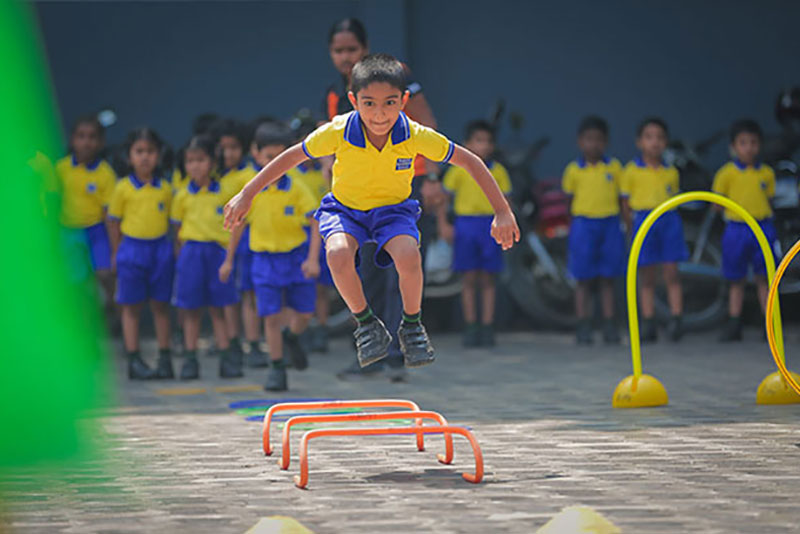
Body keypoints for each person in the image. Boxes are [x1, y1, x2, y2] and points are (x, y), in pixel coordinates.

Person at [224, 54, 519, 370]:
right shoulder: (337, 131)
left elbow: (471, 161)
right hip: (346, 211)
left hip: (393, 212)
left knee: (408, 254)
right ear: (353, 101)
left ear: (404, 100)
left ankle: (412, 326)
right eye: (369, 104)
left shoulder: (415, 134)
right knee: (337, 253)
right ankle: (366, 324)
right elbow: (290, 157)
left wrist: (502, 211)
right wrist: (247, 193)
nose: (380, 114)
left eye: (390, 103)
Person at [324, 18, 442, 381]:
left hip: (403, 189)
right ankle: (370, 352)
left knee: (397, 268)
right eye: (339, 51)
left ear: (365, 48)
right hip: (355, 199)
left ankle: (397, 352)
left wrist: (435, 178)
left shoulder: (396, 77)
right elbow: (331, 148)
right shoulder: (335, 94)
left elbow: (429, 125)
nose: (346, 57)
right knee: (360, 270)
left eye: (352, 49)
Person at [221, 122, 320, 391]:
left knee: (305, 312)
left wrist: (312, 259)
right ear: (257, 155)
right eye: (268, 157)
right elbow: (237, 225)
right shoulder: (250, 190)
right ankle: (277, 367)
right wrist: (229, 259)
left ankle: (293, 336)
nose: (273, 163)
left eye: (280, 156)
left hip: (296, 257)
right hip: (264, 260)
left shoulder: (298, 188)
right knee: (272, 316)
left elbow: (315, 221)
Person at [171, 135, 242, 379]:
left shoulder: (225, 192)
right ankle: (190, 359)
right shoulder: (181, 195)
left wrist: (229, 259)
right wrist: (180, 260)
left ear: (212, 162)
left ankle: (226, 358)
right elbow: (176, 231)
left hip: (217, 254)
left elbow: (235, 227)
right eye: (190, 161)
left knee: (218, 309)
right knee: (190, 310)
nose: (195, 166)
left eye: (200, 160)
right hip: (191, 254)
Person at [107, 128, 174, 379]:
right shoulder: (123, 188)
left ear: (158, 155)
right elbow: (113, 221)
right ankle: (133, 359)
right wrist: (117, 252)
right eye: (139, 152)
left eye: (150, 152)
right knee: (131, 307)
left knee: (161, 305)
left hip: (159, 249)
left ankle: (164, 357)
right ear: (129, 157)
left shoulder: (165, 188)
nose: (145, 157)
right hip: (132, 249)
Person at [440, 120, 511, 347]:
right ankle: (471, 326)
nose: (484, 146)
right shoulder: (458, 169)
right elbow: (444, 199)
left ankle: (488, 326)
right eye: (479, 140)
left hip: (490, 225)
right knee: (468, 278)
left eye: (488, 141)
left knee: (488, 278)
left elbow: (506, 203)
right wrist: (444, 224)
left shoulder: (498, 171)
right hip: (465, 225)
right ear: (467, 144)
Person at [621, 117, 687, 343]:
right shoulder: (630, 171)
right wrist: (631, 228)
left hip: (668, 221)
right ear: (639, 142)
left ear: (666, 142)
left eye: (660, 137)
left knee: (672, 273)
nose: (655, 142)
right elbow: (625, 204)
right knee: (646, 276)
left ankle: (676, 319)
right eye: (649, 137)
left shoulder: (671, 172)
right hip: (643, 221)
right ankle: (648, 322)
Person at [712, 119, 777, 341]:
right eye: (743, 142)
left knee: (765, 278)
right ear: (733, 146)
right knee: (736, 279)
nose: (748, 147)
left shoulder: (766, 173)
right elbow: (716, 204)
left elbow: (770, 199)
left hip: (762, 227)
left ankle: (768, 325)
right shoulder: (726, 174)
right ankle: (734, 323)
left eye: (753, 142)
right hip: (736, 229)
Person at [562, 116, 625, 345]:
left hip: (610, 224)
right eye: (589, 139)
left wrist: (625, 225)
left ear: (606, 142)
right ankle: (583, 325)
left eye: (598, 140)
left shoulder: (615, 168)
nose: (593, 144)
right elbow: (568, 202)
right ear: (580, 142)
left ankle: (609, 324)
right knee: (582, 279)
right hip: (583, 225)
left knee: (608, 279)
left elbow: (622, 200)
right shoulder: (573, 170)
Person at [215, 118, 267, 367]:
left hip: (245, 244)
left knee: (249, 294)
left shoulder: (251, 177)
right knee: (225, 298)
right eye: (223, 148)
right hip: (215, 244)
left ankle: (254, 343)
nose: (228, 153)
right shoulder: (212, 176)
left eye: (233, 147)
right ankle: (230, 342)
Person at [56, 114, 117, 314]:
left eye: (92, 137)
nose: (86, 142)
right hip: (69, 230)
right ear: (73, 140)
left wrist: (115, 246)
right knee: (75, 279)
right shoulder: (61, 168)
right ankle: (83, 317)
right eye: (81, 136)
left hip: (96, 230)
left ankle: (113, 306)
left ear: (100, 142)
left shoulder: (105, 173)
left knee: (105, 274)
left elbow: (110, 213)